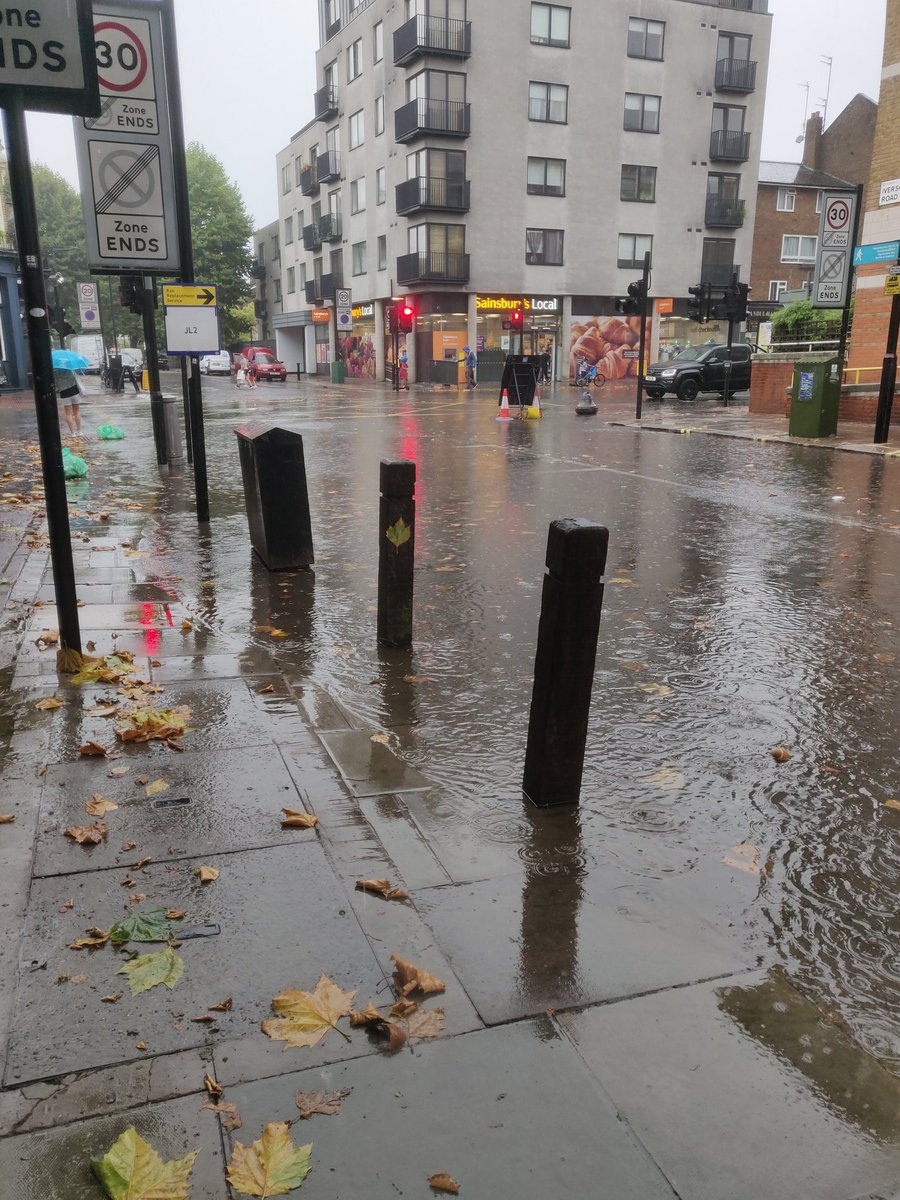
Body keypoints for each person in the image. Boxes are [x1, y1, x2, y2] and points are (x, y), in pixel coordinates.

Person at [54, 367, 81, 435]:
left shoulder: (55, 373)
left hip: (64, 393)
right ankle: (79, 431)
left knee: (68, 413)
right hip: (74, 391)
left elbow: (56, 388)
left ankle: (72, 433)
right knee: (76, 412)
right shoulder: (70, 369)